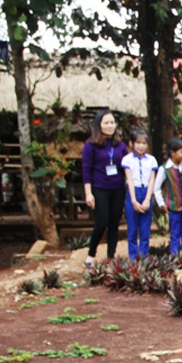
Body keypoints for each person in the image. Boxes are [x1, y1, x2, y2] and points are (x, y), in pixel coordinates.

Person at [81, 109, 128, 267]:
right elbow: (86, 170)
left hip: (118, 188)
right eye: (106, 123)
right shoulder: (91, 145)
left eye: (112, 123)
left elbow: (126, 167)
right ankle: (91, 255)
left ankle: (111, 257)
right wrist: (88, 193)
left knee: (114, 223)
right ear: (99, 125)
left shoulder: (120, 145)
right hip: (100, 189)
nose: (110, 126)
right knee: (101, 223)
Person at [152, 138, 182, 256]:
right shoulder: (164, 169)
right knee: (175, 233)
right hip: (174, 207)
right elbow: (156, 188)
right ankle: (175, 256)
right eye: (181, 152)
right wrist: (162, 203)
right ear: (172, 153)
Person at [121, 129, 158, 259]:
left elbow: (152, 180)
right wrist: (134, 201)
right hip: (133, 192)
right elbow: (129, 180)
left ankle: (143, 257)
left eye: (144, 143)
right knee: (132, 229)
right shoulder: (127, 159)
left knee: (145, 229)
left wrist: (148, 199)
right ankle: (133, 257)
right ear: (131, 143)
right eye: (138, 143)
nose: (141, 146)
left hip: (146, 192)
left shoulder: (152, 160)